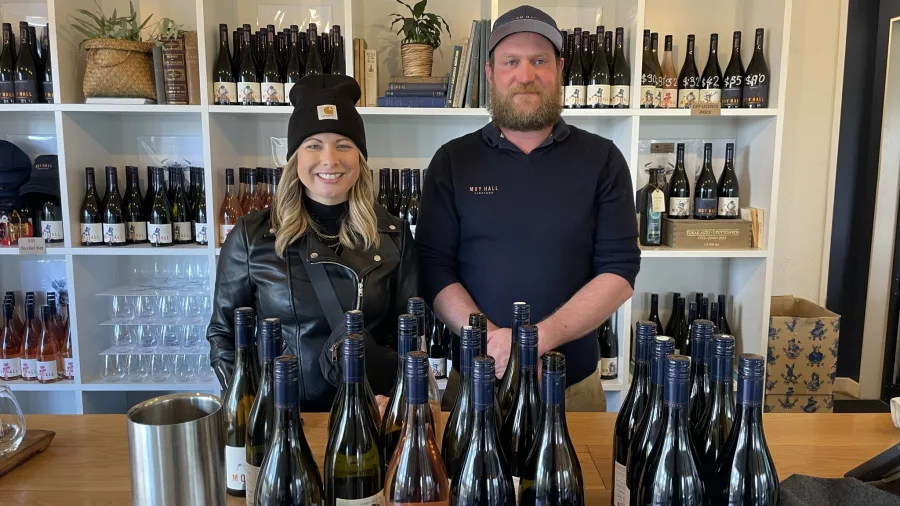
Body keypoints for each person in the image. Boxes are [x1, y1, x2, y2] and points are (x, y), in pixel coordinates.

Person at [416, 5, 641, 412]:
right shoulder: (453, 161)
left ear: (559, 69)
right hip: (475, 385)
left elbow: (620, 270)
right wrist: (493, 344)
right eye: (511, 62)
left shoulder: (603, 159)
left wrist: (533, 342)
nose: (525, 75)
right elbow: (433, 269)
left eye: (539, 61)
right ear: (490, 73)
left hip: (571, 391)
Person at [207, 74, 419, 412]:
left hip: (368, 416)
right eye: (314, 145)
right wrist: (254, 406)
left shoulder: (393, 234)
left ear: (360, 158)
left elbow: (409, 332)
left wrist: (395, 399)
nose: (330, 159)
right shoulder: (251, 236)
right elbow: (224, 335)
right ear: (295, 158)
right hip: (285, 418)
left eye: (344, 145)